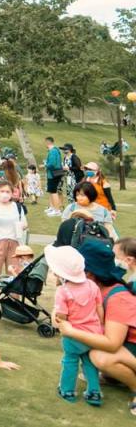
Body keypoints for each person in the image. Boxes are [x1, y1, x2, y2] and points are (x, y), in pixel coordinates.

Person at [55, 241, 136, 417]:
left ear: (88, 274)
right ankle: (112, 378)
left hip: (128, 348)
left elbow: (112, 343)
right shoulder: (89, 289)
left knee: (99, 356)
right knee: (92, 351)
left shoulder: (117, 297)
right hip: (123, 346)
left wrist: (71, 332)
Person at [43, 244, 103, 405]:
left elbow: (62, 316)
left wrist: (57, 316)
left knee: (70, 361)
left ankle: (67, 390)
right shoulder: (93, 286)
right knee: (90, 363)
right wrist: (101, 327)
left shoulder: (63, 292)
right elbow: (99, 309)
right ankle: (94, 392)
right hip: (93, 334)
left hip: (73, 335)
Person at [45, 137, 65, 216]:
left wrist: (45, 165)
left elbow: (52, 163)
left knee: (53, 192)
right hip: (55, 173)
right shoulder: (55, 150)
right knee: (51, 191)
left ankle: (57, 210)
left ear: (48, 142)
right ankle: (53, 207)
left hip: (54, 173)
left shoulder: (53, 151)